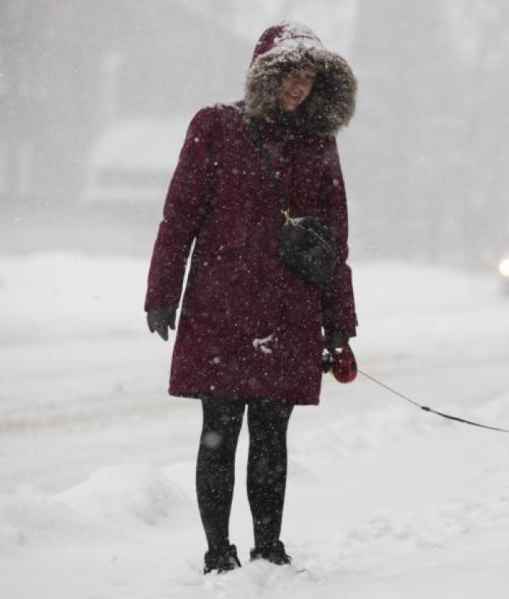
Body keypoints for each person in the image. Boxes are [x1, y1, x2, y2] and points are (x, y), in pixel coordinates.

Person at [144, 22, 358, 574]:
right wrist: (161, 292)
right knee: (219, 432)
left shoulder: (319, 143)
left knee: (272, 435)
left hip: (290, 309)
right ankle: (218, 550)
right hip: (221, 307)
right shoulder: (216, 126)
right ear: (268, 73)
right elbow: (180, 215)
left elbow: (332, 241)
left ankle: (269, 545)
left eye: (309, 77)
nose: (299, 87)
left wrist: (339, 325)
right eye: (291, 74)